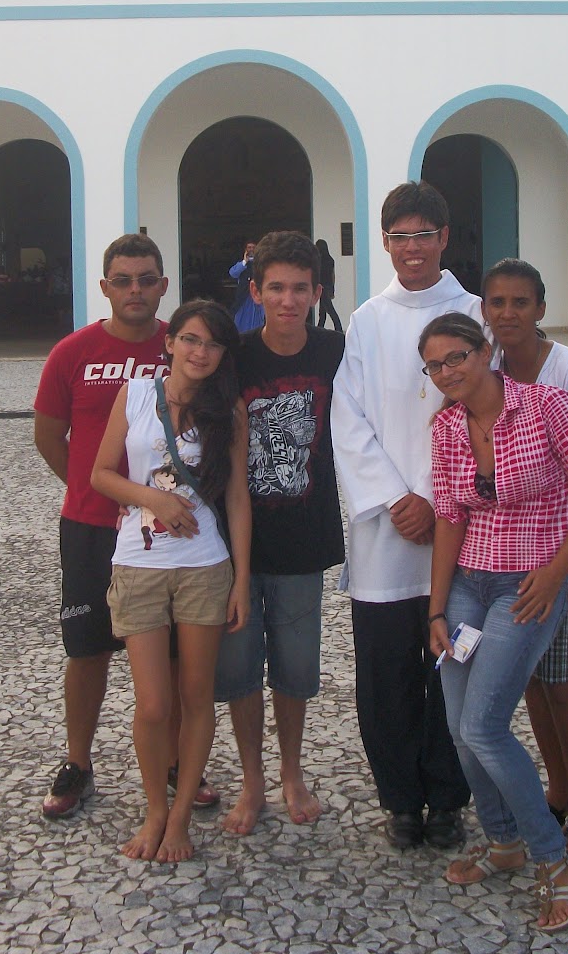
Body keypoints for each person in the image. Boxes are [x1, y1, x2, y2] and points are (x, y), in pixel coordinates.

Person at [422, 312, 568, 933]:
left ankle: (555, 862)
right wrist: (436, 605)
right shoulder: (447, 426)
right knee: (457, 722)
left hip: (528, 586)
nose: (447, 372)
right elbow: (449, 515)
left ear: (484, 353)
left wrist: (560, 571)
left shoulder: (547, 405)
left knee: (484, 724)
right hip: (469, 586)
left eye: (457, 357)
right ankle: (502, 841)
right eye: (435, 365)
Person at [331, 180, 480, 851]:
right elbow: (347, 418)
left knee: (452, 669)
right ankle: (400, 798)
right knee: (386, 674)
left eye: (424, 234)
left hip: (462, 525)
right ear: (384, 242)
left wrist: (433, 497)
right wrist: (398, 497)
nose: (412, 249)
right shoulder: (366, 319)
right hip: (387, 531)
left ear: (444, 238)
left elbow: (482, 411)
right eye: (399, 236)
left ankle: (448, 795)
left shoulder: (473, 313)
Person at [91, 299, 252, 862]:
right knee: (154, 704)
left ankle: (179, 815)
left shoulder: (229, 412)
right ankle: (153, 809)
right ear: (169, 342)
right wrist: (153, 496)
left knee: (196, 694)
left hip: (204, 567)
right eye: (189, 339)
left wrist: (240, 580)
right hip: (137, 563)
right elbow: (101, 473)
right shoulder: (135, 395)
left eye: (211, 343)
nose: (199, 352)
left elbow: (237, 500)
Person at [32, 233, 174, 821]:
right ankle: (78, 760)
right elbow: (48, 435)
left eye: (146, 280)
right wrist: (93, 492)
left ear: (163, 286)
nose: (135, 290)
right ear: (105, 287)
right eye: (123, 280)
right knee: (87, 648)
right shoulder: (73, 352)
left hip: (165, 530)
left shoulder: (183, 345)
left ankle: (171, 763)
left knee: (169, 653)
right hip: (90, 528)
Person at [480, 259, 568, 856]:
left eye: (520, 302)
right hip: (521, 548)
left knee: (562, 676)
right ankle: (556, 788)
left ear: (540, 307)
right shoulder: (487, 368)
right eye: (497, 302)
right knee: (532, 676)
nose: (508, 313)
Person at [215, 231, 345, 835]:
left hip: (304, 537)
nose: (288, 301)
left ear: (316, 293)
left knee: (294, 669)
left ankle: (292, 770)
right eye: (276, 289)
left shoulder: (336, 352)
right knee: (240, 667)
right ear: (256, 292)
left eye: (299, 289)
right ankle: (252, 779)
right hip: (233, 545)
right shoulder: (233, 356)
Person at [229, 241, 265, 332]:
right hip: (243, 299)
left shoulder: (261, 264)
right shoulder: (241, 264)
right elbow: (233, 273)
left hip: (257, 299)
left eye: (253, 247)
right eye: (249, 247)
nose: (251, 249)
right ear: (245, 250)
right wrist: (245, 261)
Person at [312, 238, 343, 332]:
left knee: (329, 309)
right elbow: (332, 275)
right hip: (328, 286)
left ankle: (338, 328)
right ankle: (320, 327)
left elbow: (316, 274)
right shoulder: (330, 259)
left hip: (321, 287)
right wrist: (333, 288)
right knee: (323, 310)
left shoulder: (317, 260)